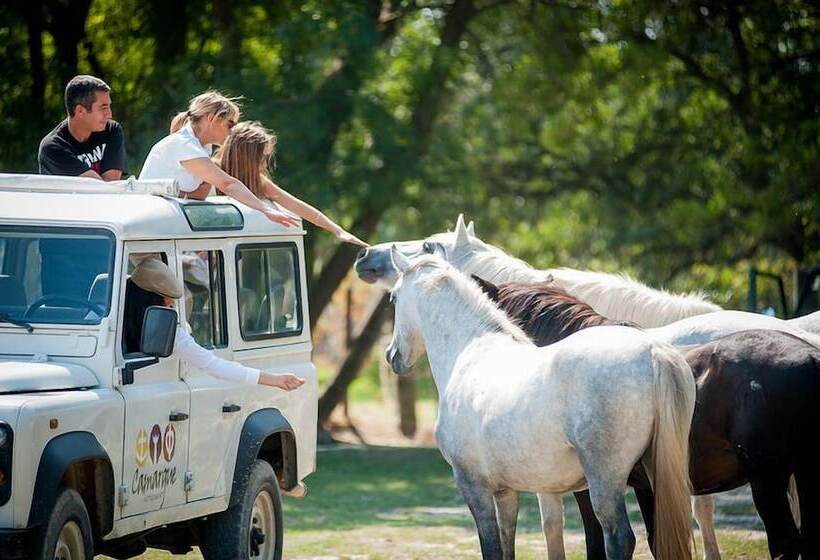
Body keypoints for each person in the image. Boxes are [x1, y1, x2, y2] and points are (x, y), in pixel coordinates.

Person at [124, 257, 304, 390]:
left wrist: (274, 379)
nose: (171, 306)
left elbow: (214, 364)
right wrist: (274, 380)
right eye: (166, 301)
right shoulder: (168, 331)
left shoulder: (105, 314)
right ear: (149, 300)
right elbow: (214, 365)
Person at [139, 91, 297, 228]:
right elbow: (228, 184)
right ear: (211, 118)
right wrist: (266, 210)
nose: (233, 130)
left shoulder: (200, 147)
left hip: (159, 227)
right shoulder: (185, 145)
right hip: (147, 229)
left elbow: (197, 195)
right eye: (230, 124)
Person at [218, 121, 367, 246]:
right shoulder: (211, 171)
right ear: (246, 157)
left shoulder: (259, 182)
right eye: (261, 158)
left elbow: (296, 205)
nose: (264, 165)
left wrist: (338, 231)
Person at [38, 75, 126, 180]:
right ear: (80, 111)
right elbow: (97, 189)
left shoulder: (111, 130)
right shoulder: (52, 148)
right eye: (103, 108)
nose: (109, 114)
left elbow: (111, 185)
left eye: (109, 106)